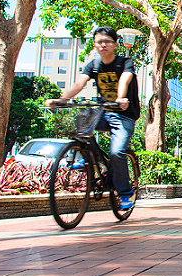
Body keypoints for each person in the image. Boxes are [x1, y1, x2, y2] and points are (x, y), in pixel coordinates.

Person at [46, 26, 140, 209]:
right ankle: (85, 156)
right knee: (83, 116)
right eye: (99, 42)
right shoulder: (94, 65)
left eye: (107, 42)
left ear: (115, 44)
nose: (103, 45)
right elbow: (79, 84)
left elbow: (125, 79)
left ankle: (126, 193)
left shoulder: (125, 62)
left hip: (123, 115)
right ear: (95, 45)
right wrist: (60, 100)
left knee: (116, 152)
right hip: (103, 112)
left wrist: (121, 98)